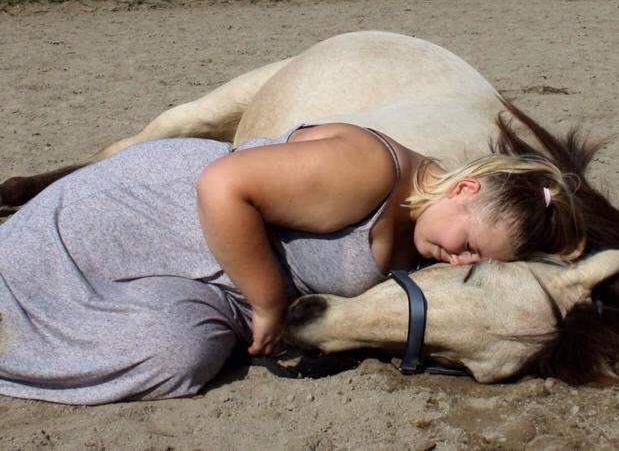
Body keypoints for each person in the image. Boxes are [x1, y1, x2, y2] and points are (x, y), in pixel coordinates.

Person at [0, 119, 586, 405]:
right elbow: (222, 186)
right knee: (180, 356)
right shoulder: (371, 170)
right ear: (464, 189)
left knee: (180, 355)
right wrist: (268, 303)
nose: (457, 260)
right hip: (149, 221)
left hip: (208, 274)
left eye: (474, 262)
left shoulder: (423, 220)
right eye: (469, 245)